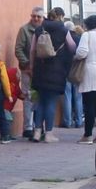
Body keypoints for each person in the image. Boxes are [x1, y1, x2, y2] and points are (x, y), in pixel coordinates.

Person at [28, 13, 74, 142]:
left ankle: (37, 132)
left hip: (40, 70)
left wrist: (32, 66)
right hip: (57, 71)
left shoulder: (39, 29)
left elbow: (32, 50)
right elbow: (72, 47)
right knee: (51, 102)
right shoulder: (64, 30)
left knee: (41, 101)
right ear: (59, 18)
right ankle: (49, 133)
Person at [73, 15, 96, 144]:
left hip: (90, 71)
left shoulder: (87, 35)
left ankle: (87, 134)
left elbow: (82, 52)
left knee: (89, 104)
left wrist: (75, 57)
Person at [14, 7, 44, 136]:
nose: (36, 18)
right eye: (34, 16)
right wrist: (27, 64)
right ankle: (28, 127)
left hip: (42, 70)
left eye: (38, 16)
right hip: (27, 69)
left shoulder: (45, 30)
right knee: (28, 97)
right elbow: (18, 49)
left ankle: (39, 126)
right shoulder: (24, 30)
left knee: (40, 98)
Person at [63, 19, 85, 131]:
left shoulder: (64, 39)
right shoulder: (80, 39)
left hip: (66, 70)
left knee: (67, 96)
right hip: (77, 71)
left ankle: (67, 121)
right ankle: (79, 121)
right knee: (78, 97)